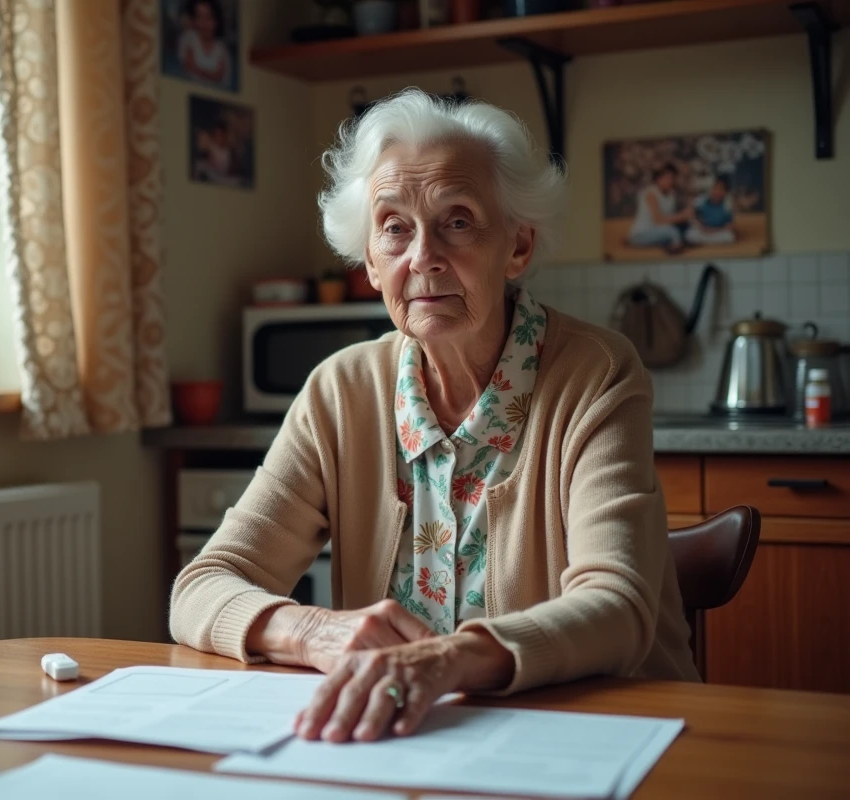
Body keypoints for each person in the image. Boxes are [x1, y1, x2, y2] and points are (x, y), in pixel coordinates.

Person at [170, 89, 698, 743]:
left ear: (518, 247)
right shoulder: (341, 391)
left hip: (602, 737)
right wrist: (312, 629)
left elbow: (617, 608)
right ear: (369, 261)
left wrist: (447, 659)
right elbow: (204, 584)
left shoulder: (596, 374)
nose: (422, 257)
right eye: (394, 227)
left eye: (457, 221)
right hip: (414, 742)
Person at [626, 164, 693, 253]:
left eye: (672, 178)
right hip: (642, 233)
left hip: (659, 231)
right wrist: (682, 216)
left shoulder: (671, 194)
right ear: (658, 179)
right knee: (672, 232)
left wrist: (685, 216)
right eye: (666, 178)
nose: (670, 181)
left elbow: (669, 218)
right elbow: (658, 220)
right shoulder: (651, 193)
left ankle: (675, 242)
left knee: (685, 226)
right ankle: (675, 248)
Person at [176, 0, 232, 90]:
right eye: (199, 17)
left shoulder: (222, 49)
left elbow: (218, 77)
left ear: (216, 22)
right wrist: (208, 74)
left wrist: (197, 70)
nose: (203, 23)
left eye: (208, 18)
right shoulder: (189, 37)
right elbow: (188, 66)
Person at [685, 176, 736, 246]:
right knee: (690, 235)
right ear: (710, 189)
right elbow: (693, 218)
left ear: (725, 192)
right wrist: (702, 228)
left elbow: (730, 225)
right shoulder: (701, 201)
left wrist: (715, 230)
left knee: (729, 237)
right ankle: (712, 243)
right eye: (715, 188)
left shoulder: (727, 204)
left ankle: (705, 243)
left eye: (721, 189)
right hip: (703, 231)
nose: (717, 192)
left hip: (719, 232)